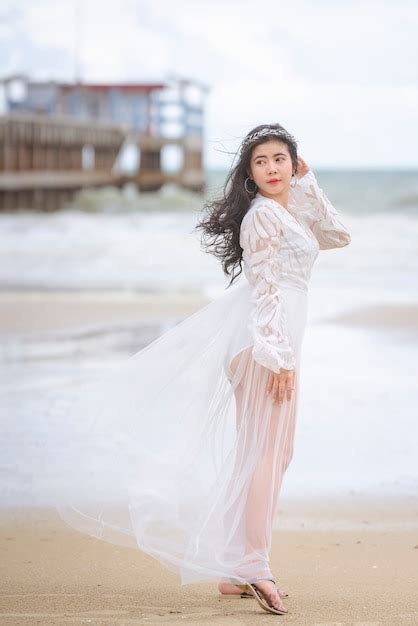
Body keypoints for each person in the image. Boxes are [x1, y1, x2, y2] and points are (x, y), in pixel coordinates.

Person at [47, 123, 351, 617]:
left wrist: (309, 184)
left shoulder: (288, 210)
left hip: (272, 341)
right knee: (267, 454)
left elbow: (338, 235)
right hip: (261, 343)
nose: (272, 169)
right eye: (261, 162)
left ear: (293, 164)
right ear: (249, 174)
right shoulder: (261, 219)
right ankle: (255, 565)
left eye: (280, 159)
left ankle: (235, 566)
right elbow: (267, 289)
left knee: (269, 451)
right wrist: (277, 357)